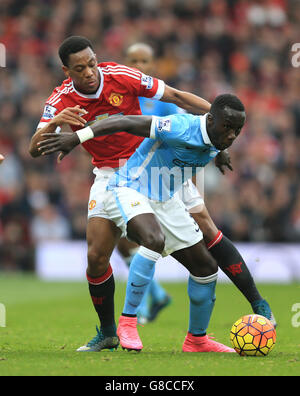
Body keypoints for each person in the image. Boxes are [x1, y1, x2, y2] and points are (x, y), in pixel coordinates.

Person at [29, 35, 214, 352]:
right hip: (107, 175)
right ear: (66, 71)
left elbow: (176, 96)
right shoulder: (59, 99)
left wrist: (217, 119)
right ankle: (109, 332)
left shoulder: (122, 76)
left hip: (147, 171)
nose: (89, 72)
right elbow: (34, 149)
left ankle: (195, 331)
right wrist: (55, 123)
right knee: (96, 257)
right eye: (79, 68)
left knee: (196, 257)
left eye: (91, 63)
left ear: (95, 58)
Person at [37, 93, 247, 353]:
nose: (232, 135)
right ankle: (120, 326)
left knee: (205, 267)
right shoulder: (74, 94)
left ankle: (197, 340)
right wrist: (75, 138)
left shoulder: (148, 88)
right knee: (108, 254)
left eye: (236, 131)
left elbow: (202, 121)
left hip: (162, 189)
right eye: (80, 67)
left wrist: (221, 151)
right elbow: (124, 122)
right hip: (123, 181)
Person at [120, 43, 276, 327]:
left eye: (144, 60)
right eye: (133, 60)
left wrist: (221, 139)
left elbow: (197, 119)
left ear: (152, 64)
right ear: (125, 63)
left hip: (172, 173)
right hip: (135, 171)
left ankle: (255, 301)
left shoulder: (160, 97)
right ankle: (145, 302)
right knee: (122, 240)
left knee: (204, 226)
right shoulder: (117, 96)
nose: (138, 66)